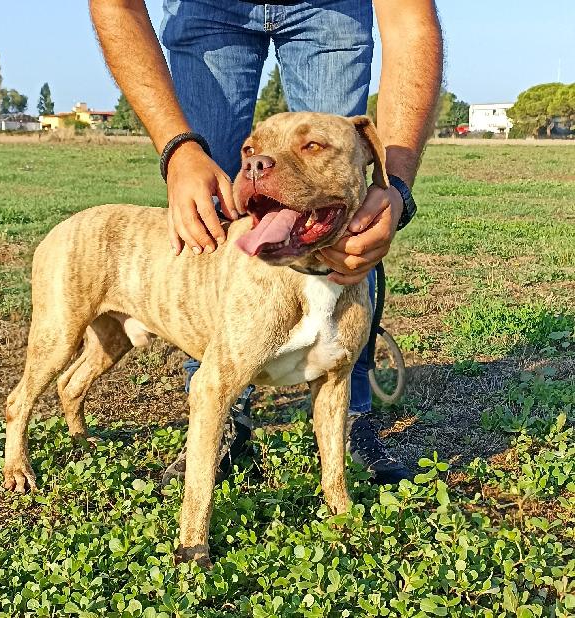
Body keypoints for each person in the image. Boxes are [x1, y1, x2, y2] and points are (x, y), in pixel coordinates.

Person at [89, 0, 443, 484]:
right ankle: (221, 408)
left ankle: (349, 409)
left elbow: (409, 22)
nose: (256, 162)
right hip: (204, 7)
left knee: (339, 205)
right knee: (211, 213)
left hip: (330, 9)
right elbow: (115, 6)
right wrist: (178, 149)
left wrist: (394, 189)